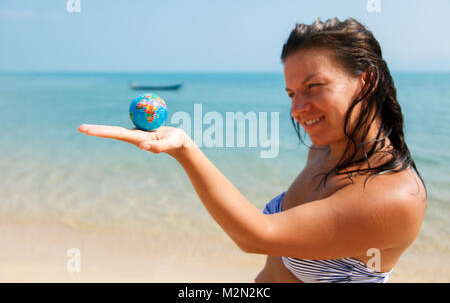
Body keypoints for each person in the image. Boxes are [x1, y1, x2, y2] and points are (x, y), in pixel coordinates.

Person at [78, 17, 427, 283]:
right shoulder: (325, 151)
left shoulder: (394, 197)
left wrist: (185, 148)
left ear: (366, 79)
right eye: (291, 93)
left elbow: (257, 235)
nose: (297, 107)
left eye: (313, 86)